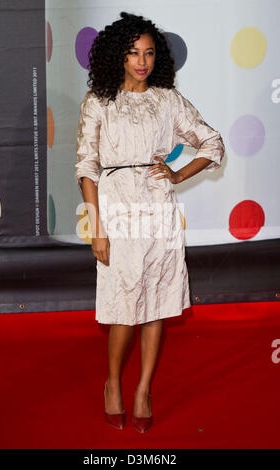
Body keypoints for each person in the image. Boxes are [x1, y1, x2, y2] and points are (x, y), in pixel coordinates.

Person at [75, 11, 225, 433]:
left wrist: (178, 174)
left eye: (149, 53)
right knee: (125, 306)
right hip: (117, 208)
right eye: (133, 53)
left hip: (159, 208)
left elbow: (212, 142)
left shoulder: (168, 100)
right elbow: (87, 167)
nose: (142, 60)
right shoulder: (98, 102)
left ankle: (142, 389)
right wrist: (97, 228)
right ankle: (113, 385)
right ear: (117, 57)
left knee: (156, 303)